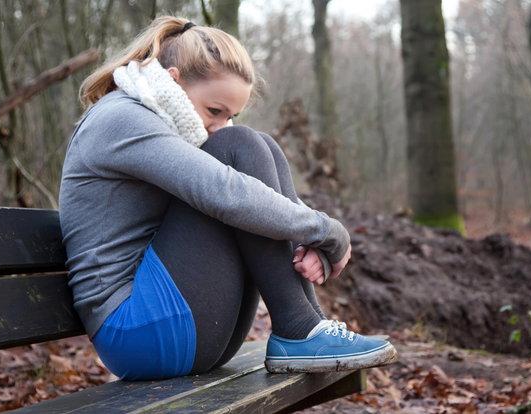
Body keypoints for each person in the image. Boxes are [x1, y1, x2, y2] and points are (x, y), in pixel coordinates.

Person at [59, 16, 397, 380]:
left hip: (189, 327)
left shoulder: (158, 119)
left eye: (230, 115)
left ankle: (305, 324)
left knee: (257, 145)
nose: (218, 125)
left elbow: (246, 193)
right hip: (138, 333)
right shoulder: (121, 118)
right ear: (173, 81)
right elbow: (226, 194)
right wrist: (326, 230)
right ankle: (299, 328)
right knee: (238, 146)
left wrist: (309, 242)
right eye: (214, 111)